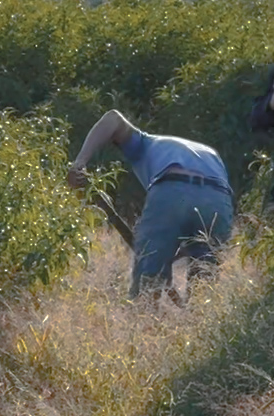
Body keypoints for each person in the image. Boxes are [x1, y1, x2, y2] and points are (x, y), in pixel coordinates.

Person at [67, 109, 234, 300]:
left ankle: (143, 320)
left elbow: (112, 117)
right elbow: (196, 211)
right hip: (219, 200)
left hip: (173, 186)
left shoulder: (145, 143)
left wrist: (79, 162)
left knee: (147, 285)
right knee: (205, 288)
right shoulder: (209, 153)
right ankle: (201, 323)